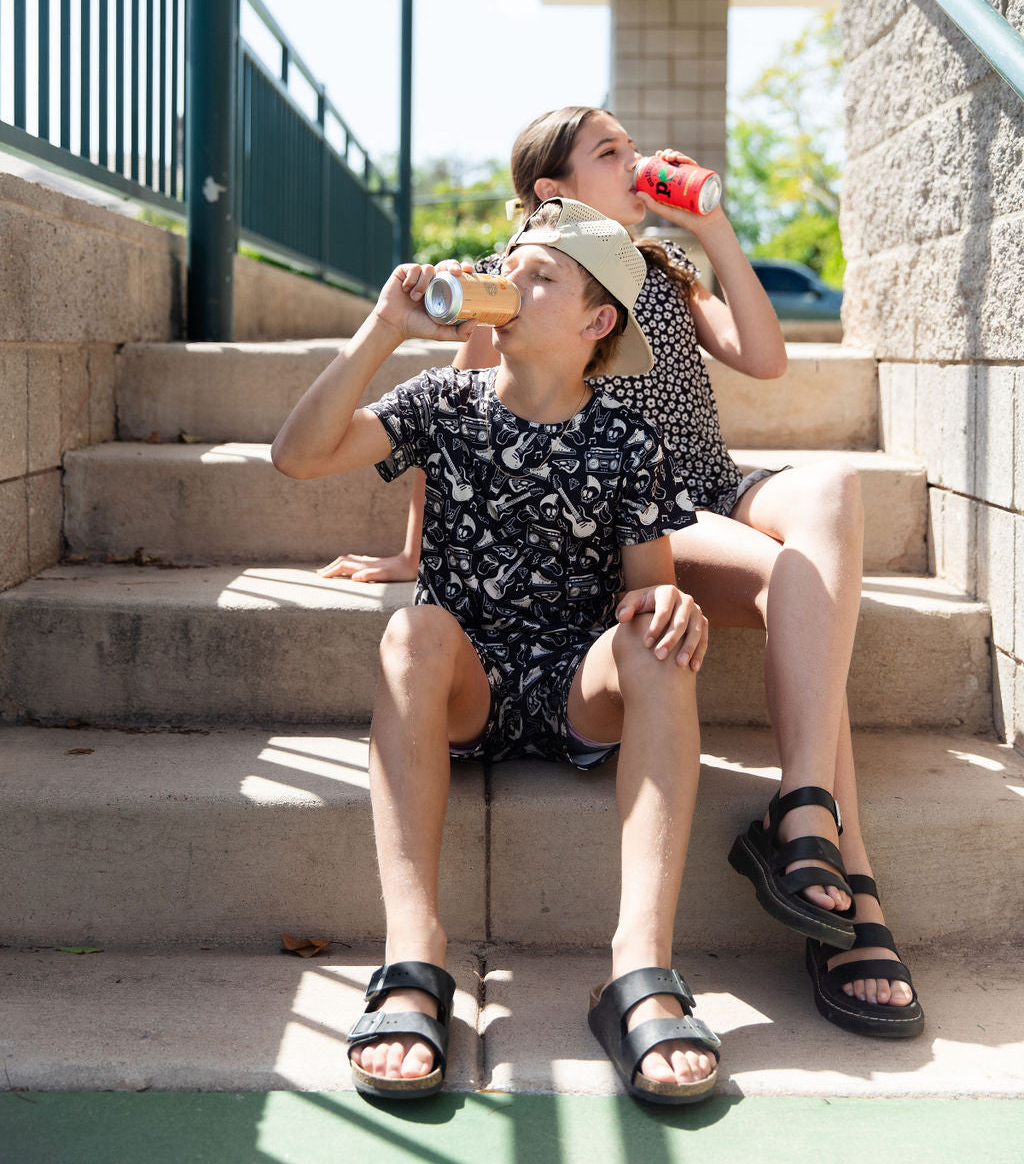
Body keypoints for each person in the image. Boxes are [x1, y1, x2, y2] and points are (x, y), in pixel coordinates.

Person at [321, 107, 923, 1041]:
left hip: (711, 485)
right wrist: (415, 552)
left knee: (834, 490)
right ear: (551, 192)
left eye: (634, 148)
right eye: (611, 153)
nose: (637, 162)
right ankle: (847, 867)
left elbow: (766, 358)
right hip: (648, 510)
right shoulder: (514, 284)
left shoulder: (663, 269)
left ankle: (805, 807)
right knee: (801, 586)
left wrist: (711, 227)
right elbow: (466, 430)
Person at [271, 199, 722, 1104]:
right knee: (412, 630)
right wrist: (383, 328)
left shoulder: (629, 439)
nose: (509, 279)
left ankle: (639, 969)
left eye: (540, 274)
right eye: (506, 264)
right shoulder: (444, 403)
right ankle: (415, 958)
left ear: (597, 324)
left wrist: (671, 604)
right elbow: (297, 455)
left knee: (656, 637)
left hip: (575, 687)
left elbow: (646, 589)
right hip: (465, 683)